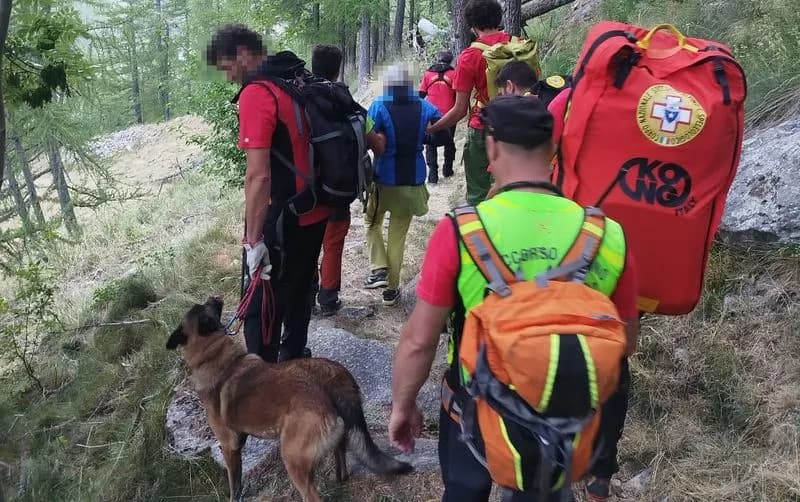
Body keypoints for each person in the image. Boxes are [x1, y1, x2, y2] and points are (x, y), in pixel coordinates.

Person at [388, 95, 640, 502]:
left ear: (491, 146)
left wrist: (403, 405)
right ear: (554, 148)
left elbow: (419, 341)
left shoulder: (462, 231)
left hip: (474, 406)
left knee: (466, 490)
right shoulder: (606, 233)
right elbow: (625, 342)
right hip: (566, 413)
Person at [206, 25, 332, 362]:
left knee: (262, 301)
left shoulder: (258, 93)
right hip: (315, 206)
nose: (229, 76)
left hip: (283, 216)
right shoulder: (297, 77)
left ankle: (262, 378)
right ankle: (293, 359)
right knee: (302, 284)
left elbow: (258, 177)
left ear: (244, 54)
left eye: (227, 66)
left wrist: (253, 240)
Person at [363, 64, 441, 306]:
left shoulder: (378, 104)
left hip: (385, 178)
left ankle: (379, 269)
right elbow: (443, 131)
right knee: (398, 236)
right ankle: (391, 291)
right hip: (413, 180)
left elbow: (368, 135)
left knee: (372, 222)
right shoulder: (424, 105)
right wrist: (425, 136)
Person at [426, 0, 510, 205]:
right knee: (508, 189)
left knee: (479, 194)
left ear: (472, 26)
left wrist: (432, 128)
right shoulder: (517, 44)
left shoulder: (470, 56)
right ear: (499, 19)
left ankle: (479, 232)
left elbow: (459, 110)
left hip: (483, 127)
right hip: (517, 126)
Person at [307, 44, 353, 316]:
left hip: (307, 190)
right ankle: (328, 298)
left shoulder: (300, 98)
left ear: (313, 65)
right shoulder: (344, 100)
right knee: (333, 245)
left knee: (307, 244)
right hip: (338, 190)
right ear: (338, 70)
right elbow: (369, 136)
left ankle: (309, 294)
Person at [419, 50, 457, 183]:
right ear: (450, 60)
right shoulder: (453, 74)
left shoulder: (428, 74)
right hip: (450, 114)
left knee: (430, 143)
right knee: (449, 141)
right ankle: (448, 170)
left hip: (431, 114)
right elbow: (457, 94)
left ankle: (433, 175)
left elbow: (421, 95)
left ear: (437, 59)